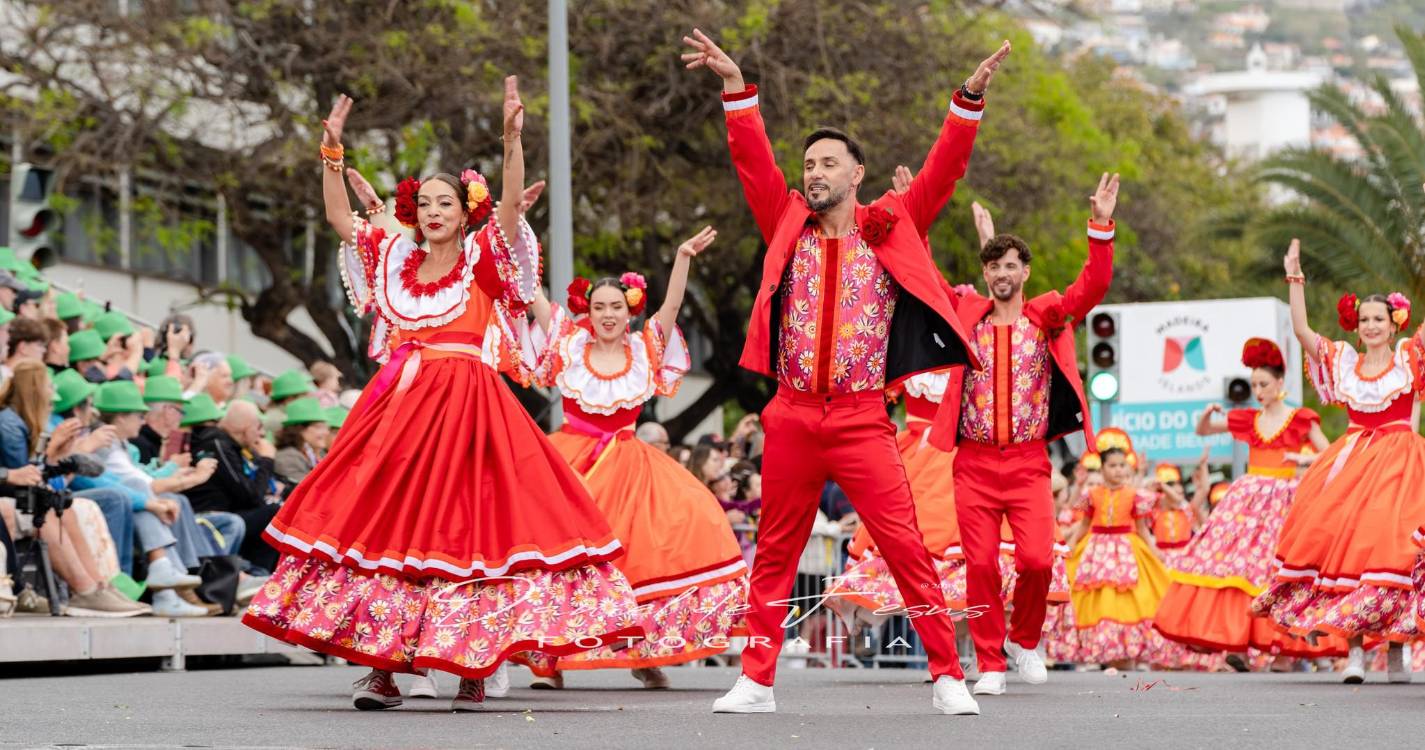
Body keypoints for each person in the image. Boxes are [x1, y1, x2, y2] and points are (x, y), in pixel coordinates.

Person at [243, 79, 643, 712]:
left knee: (469, 530)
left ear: (464, 212)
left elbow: (510, 209)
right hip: (402, 405)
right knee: (389, 528)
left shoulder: (483, 257)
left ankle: (472, 666)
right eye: (424, 202)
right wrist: (331, 153)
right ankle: (383, 666)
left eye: (445, 203)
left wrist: (512, 138)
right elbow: (340, 218)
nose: (432, 211)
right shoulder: (395, 258)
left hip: (467, 406)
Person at [683, 27, 1010, 715]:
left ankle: (946, 674)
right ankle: (757, 679)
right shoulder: (785, 220)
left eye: (829, 163)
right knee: (774, 548)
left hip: (862, 416)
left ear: (856, 175)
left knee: (903, 545)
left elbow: (942, 171)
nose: (815, 172)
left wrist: (968, 101)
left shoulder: (891, 221)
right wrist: (737, 89)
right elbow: (752, 162)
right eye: (809, 163)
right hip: (794, 411)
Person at [515, 226, 748, 689]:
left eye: (616, 307)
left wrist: (681, 257)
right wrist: (516, 228)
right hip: (572, 462)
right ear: (587, 309)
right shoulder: (568, 342)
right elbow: (530, 291)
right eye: (599, 307)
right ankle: (551, 661)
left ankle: (644, 653)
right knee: (563, 557)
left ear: (629, 311)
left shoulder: (644, 347)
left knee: (658, 544)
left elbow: (674, 307)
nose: (607, 314)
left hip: (631, 464)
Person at [924, 169, 1117, 694]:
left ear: (1025, 271)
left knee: (1035, 560)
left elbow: (1092, 286)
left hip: (1029, 462)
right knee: (981, 564)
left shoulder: (1045, 316)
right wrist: (913, 217)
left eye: (1011, 265)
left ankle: (1023, 640)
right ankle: (989, 663)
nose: (1002, 273)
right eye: (994, 265)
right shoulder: (969, 314)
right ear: (985, 273)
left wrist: (1100, 227)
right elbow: (926, 280)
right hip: (975, 463)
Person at [1251, 239, 1425, 683]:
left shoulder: (1409, 357)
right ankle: (1354, 654)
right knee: (1345, 550)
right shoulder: (1344, 362)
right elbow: (1303, 333)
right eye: (1364, 319)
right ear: (1356, 325)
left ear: (1393, 323)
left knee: (1396, 551)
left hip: (1400, 462)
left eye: (1378, 320)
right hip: (1350, 462)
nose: (1370, 326)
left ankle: (1397, 650)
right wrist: (1295, 278)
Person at [1155, 339, 1347, 668]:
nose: (1259, 391)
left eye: (1264, 384)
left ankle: (1284, 651)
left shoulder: (1301, 418)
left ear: (1279, 383)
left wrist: (1302, 461)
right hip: (1249, 500)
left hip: (1287, 498)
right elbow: (1203, 430)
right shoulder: (1248, 418)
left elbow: (1331, 455)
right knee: (1237, 566)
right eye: (1254, 384)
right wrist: (1205, 417)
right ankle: (1238, 641)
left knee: (1282, 568)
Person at [1048, 443, 1171, 669]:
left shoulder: (1136, 495)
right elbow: (1083, 524)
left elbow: (1143, 529)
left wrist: (1156, 552)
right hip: (1094, 550)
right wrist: (1071, 546)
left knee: (1129, 599)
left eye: (1122, 465)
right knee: (1095, 599)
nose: (1118, 470)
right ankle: (1102, 651)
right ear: (1102, 468)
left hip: (1128, 550)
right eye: (1112, 465)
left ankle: (1127, 652)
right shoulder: (1090, 494)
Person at [272, 397, 329, 486]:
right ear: (300, 429)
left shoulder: (319, 454)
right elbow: (305, 489)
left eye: (326, 428)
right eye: (319, 427)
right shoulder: (288, 457)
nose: (326, 432)